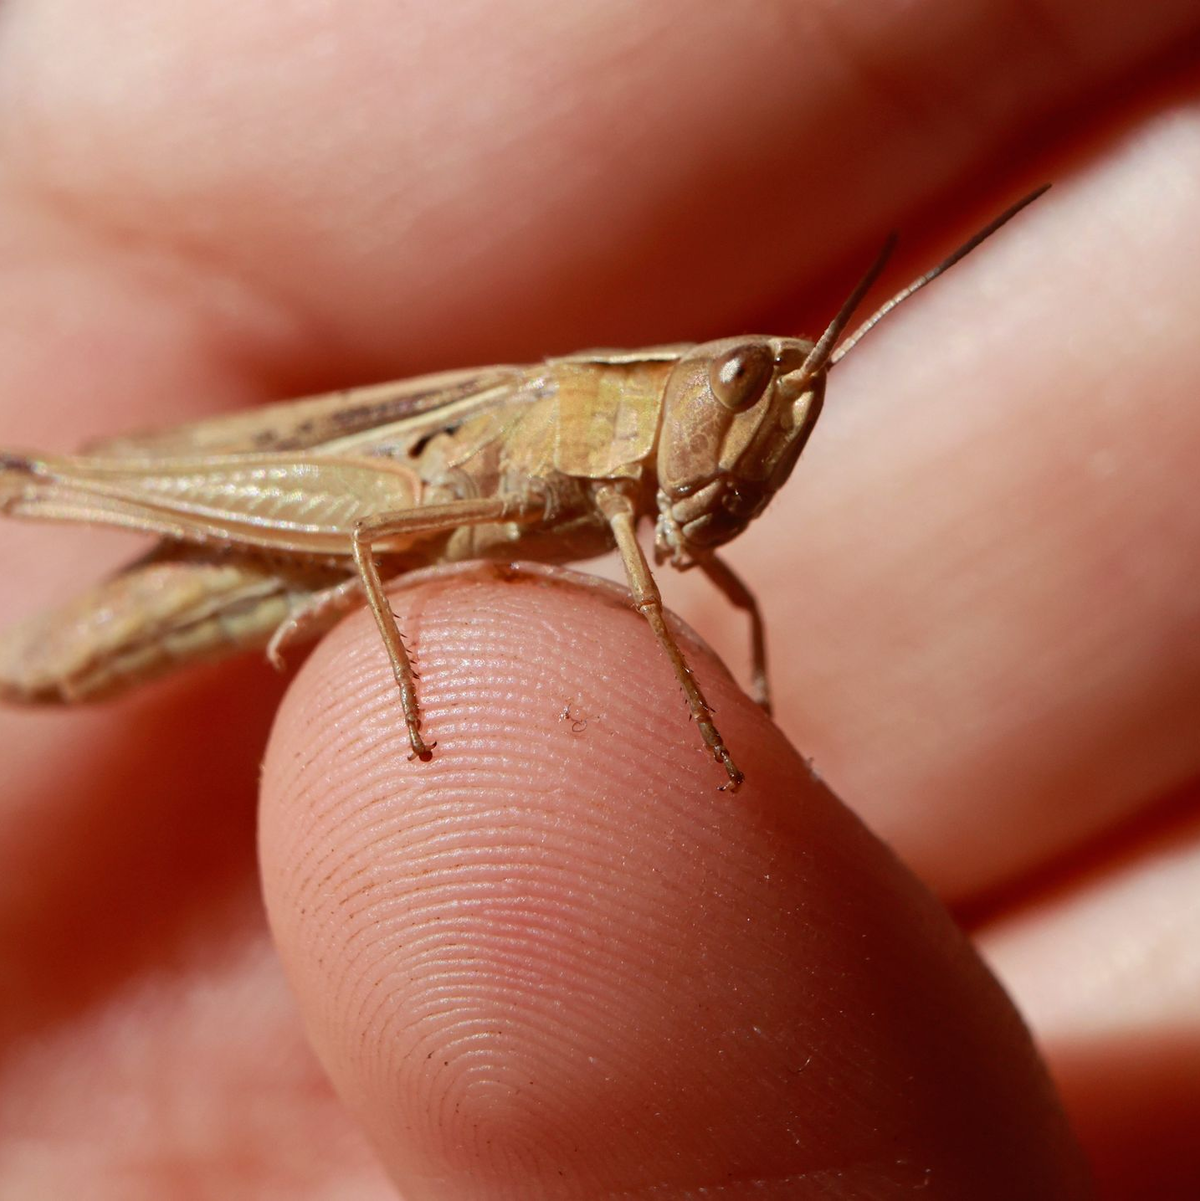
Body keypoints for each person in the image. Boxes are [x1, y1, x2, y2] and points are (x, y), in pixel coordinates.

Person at [2, 2, 1197, 1196]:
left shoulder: (644, 488)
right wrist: (416, 691)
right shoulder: (566, 422)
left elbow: (701, 568)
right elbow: (379, 529)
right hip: (299, 502)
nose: (766, 414)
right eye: (743, 383)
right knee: (320, 516)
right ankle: (45, 485)